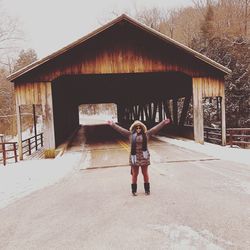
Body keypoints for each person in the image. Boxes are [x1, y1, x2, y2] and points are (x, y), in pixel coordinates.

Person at [107, 118, 171, 196]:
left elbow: (155, 128)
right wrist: (113, 124)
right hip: (134, 157)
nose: (138, 129)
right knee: (135, 174)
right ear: (134, 128)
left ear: (142, 128)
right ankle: (134, 190)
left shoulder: (147, 134)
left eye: (140, 127)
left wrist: (163, 122)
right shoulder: (130, 135)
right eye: (136, 127)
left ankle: (147, 190)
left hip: (144, 157)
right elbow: (121, 129)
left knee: (145, 173)